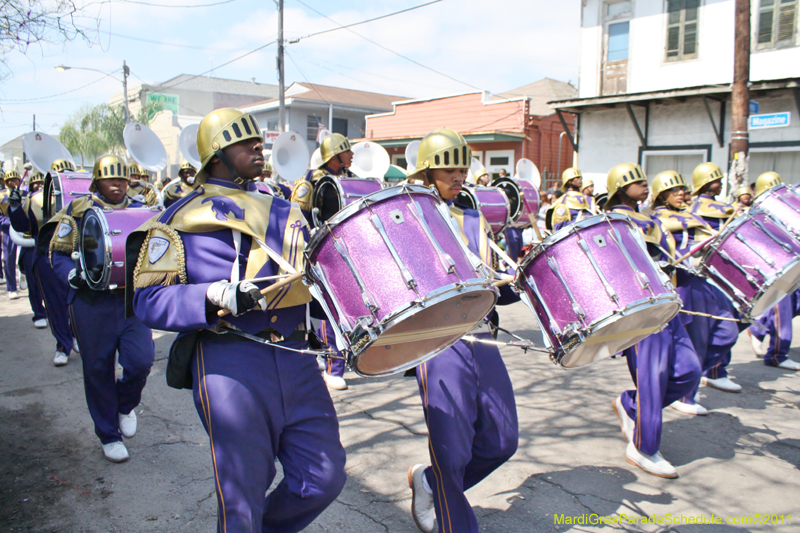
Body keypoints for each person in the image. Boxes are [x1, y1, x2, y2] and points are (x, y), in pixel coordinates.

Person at [132, 108, 346, 531]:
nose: (257, 147)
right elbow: (148, 299)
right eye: (242, 141)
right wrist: (212, 294)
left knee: (324, 477)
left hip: (295, 356)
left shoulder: (282, 209)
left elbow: (315, 280)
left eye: (257, 140)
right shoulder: (180, 219)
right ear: (216, 154)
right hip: (230, 360)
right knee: (243, 492)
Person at [405, 128, 519, 533]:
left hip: (481, 334)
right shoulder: (407, 217)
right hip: (436, 338)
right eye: (447, 168)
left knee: (503, 440)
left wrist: (514, 284)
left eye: (462, 168)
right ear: (425, 173)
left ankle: (432, 483)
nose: (458, 176)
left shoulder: (474, 218)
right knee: (451, 447)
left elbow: (491, 283)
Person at [49, 154, 155, 462]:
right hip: (91, 301)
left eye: (122, 179)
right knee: (97, 368)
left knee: (140, 360)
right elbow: (57, 252)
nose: (118, 185)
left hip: (131, 299)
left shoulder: (141, 211)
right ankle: (108, 434)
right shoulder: (78, 210)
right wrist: (70, 274)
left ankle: (124, 403)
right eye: (111, 180)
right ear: (97, 182)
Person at [605, 163, 701, 479]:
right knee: (653, 377)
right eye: (637, 182)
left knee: (689, 370)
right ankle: (645, 447)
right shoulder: (612, 221)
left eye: (646, 181)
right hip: (641, 308)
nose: (645, 186)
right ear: (620, 187)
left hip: (668, 303)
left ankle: (631, 405)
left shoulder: (652, 218)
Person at [650, 170, 740, 414]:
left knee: (729, 328)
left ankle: (703, 373)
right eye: (673, 190)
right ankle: (684, 395)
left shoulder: (690, 215)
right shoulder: (653, 220)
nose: (681, 193)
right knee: (695, 340)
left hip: (703, 281)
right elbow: (655, 255)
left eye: (682, 189)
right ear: (661, 195)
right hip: (680, 284)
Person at [290, 132, 357, 391]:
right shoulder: (311, 181)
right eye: (347, 151)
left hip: (350, 252)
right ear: (335, 154)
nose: (352, 155)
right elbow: (297, 218)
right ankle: (333, 367)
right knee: (330, 312)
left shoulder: (350, 181)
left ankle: (339, 356)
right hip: (325, 254)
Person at [9, 161, 77, 365]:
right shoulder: (36, 199)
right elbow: (24, 226)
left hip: (76, 258)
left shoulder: (82, 198)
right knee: (55, 304)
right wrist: (14, 207)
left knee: (77, 303)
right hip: (47, 258)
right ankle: (63, 346)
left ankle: (76, 336)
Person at [688, 162, 742, 392]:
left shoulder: (722, 206)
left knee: (733, 318)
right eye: (716, 180)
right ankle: (709, 370)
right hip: (705, 270)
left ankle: (715, 368)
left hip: (725, 268)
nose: (720, 184)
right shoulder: (697, 208)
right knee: (715, 323)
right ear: (706, 183)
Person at [746, 171, 800, 371]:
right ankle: (777, 354)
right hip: (774, 267)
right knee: (781, 309)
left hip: (790, 262)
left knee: (792, 305)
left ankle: (758, 329)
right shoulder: (760, 210)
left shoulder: (785, 206)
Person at [7, 171, 47, 329]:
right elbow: (22, 226)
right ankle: (39, 313)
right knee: (34, 283)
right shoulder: (27, 201)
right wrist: (15, 207)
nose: (39, 185)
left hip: (54, 247)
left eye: (42, 183)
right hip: (33, 246)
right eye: (36, 183)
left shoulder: (58, 199)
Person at [1, 170, 21, 299]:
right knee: (9, 258)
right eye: (10, 180)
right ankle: (12, 288)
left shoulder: (26, 193)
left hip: (27, 229)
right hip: (9, 230)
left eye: (16, 179)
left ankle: (25, 277)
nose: (13, 182)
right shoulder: (1, 195)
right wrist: (10, 221)